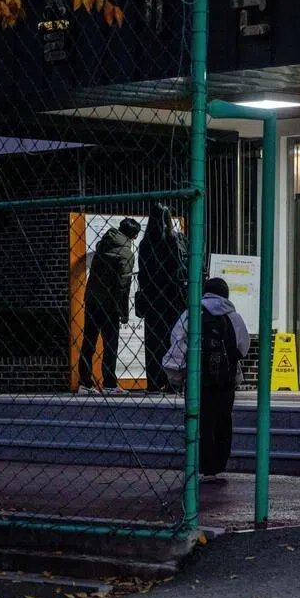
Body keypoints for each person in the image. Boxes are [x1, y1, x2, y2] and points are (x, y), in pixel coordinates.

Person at [161, 278, 250, 483]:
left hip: (197, 380)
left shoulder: (192, 313)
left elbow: (177, 343)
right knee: (223, 420)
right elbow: (243, 347)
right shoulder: (233, 316)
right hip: (225, 382)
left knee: (199, 420)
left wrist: (176, 377)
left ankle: (198, 462)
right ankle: (218, 463)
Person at [78, 217, 140, 394]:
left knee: (88, 341)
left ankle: (85, 383)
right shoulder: (126, 254)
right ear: (134, 236)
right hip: (109, 304)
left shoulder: (103, 244)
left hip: (92, 299)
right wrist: (123, 311)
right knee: (110, 344)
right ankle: (109, 384)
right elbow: (122, 285)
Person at [136, 204, 188, 393]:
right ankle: (172, 381)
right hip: (172, 298)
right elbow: (179, 269)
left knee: (152, 341)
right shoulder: (173, 241)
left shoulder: (145, 243)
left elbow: (142, 273)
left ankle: (153, 381)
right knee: (173, 340)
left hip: (152, 299)